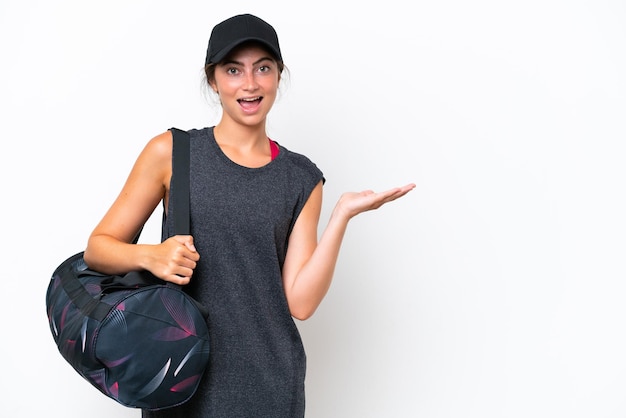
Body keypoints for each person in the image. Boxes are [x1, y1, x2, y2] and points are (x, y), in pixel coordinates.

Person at [83, 13, 415, 418]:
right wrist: (150, 255)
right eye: (233, 69)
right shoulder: (171, 153)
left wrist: (341, 216)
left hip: (271, 384)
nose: (250, 83)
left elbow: (301, 302)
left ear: (278, 75)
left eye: (263, 68)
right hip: (180, 380)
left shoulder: (302, 178)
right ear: (213, 80)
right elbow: (98, 250)